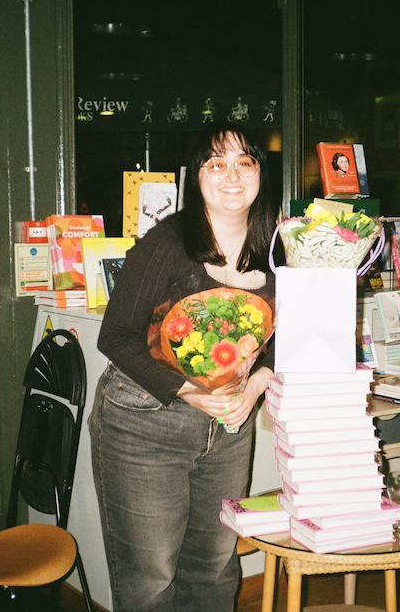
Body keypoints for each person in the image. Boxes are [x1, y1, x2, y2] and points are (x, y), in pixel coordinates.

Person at [91, 125, 276, 612]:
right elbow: (114, 337)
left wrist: (255, 386)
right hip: (143, 425)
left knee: (215, 568)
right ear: (196, 178)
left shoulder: (278, 250)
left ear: (260, 172)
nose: (231, 175)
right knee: (150, 579)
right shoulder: (168, 243)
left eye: (244, 162)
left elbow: (284, 340)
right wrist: (188, 391)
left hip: (229, 428)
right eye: (216, 164)